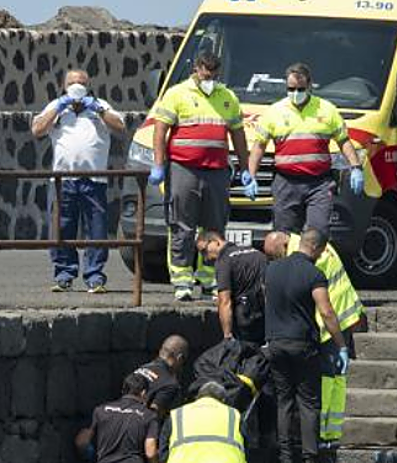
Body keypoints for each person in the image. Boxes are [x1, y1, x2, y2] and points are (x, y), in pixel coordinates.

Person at [148, 53, 251, 303]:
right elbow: (160, 130)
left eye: (215, 75)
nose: (211, 79)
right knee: (182, 224)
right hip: (184, 168)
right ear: (196, 70)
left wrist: (246, 168)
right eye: (207, 74)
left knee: (214, 226)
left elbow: (238, 134)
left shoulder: (227, 96)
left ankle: (209, 278)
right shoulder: (177, 93)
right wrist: (159, 164)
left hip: (216, 170)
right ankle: (182, 280)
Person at [264, 230, 364, 445]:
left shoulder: (313, 259)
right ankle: (328, 433)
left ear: (283, 246)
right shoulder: (303, 249)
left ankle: (324, 433)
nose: (274, 261)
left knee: (328, 380)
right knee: (332, 380)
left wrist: (340, 345)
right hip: (332, 320)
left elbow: (322, 307)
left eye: (273, 256)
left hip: (333, 322)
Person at [32, 69, 126, 293]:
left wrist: (98, 108)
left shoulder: (99, 105)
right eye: (72, 82)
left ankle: (94, 276)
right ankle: (64, 274)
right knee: (61, 228)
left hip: (95, 180)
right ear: (64, 86)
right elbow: (37, 129)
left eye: (81, 82)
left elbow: (120, 126)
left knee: (96, 229)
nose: (77, 85)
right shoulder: (57, 106)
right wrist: (59, 105)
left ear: (88, 85)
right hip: (63, 180)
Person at [247, 63, 367, 236]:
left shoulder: (326, 110)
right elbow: (259, 146)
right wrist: (251, 176)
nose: (295, 93)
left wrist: (356, 167)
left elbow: (343, 141)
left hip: (318, 183)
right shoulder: (274, 112)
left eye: (300, 89)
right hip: (286, 183)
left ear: (310, 86)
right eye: (291, 88)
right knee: (283, 236)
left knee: (318, 232)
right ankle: (287, 263)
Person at [197, 230, 266, 345]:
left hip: (245, 320)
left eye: (204, 251)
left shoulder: (224, 261)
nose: (206, 258)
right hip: (265, 317)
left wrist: (227, 336)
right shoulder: (257, 253)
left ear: (215, 242)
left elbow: (225, 301)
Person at [134, 335, 190, 419]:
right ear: (179, 358)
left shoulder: (139, 370)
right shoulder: (170, 384)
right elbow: (154, 417)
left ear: (161, 351)